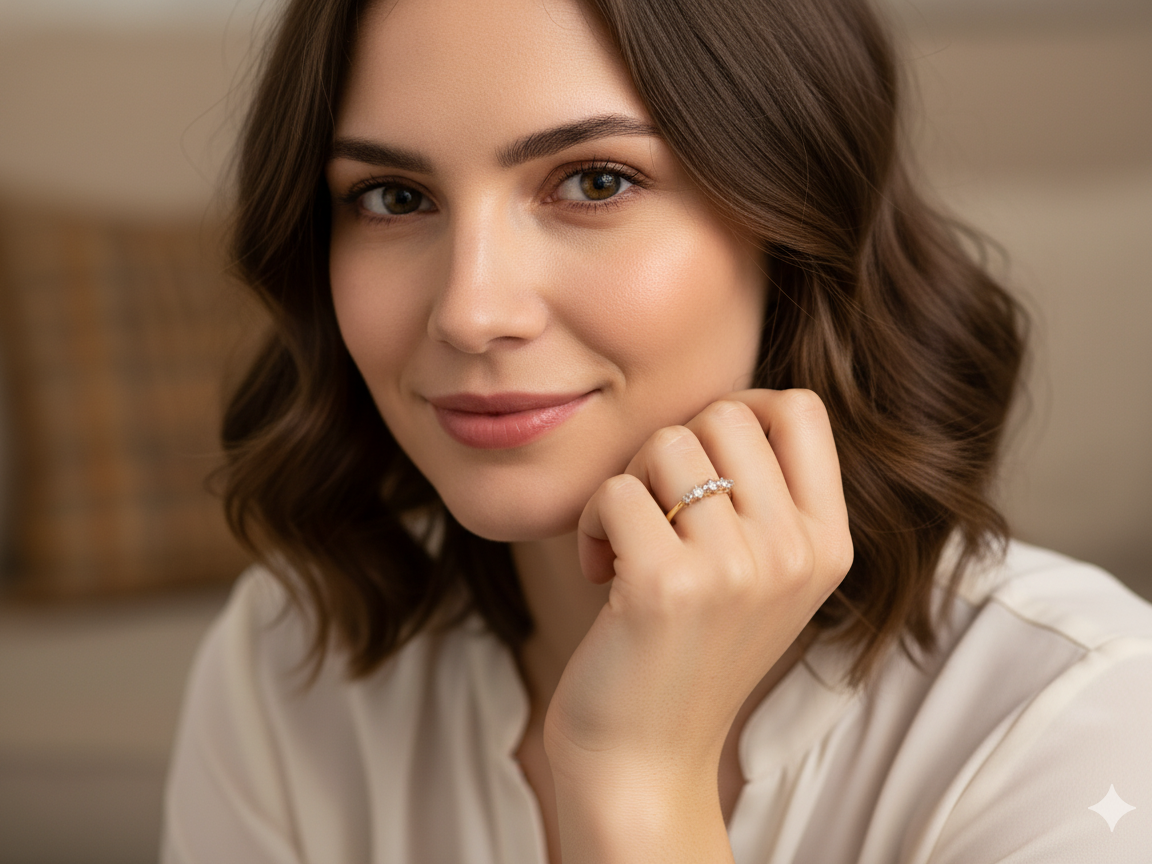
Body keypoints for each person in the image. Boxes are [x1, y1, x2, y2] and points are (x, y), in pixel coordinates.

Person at [161, 0, 1152, 861]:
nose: (470, 310)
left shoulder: (1083, 716)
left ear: (792, 217)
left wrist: (635, 780)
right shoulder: (286, 660)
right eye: (394, 197)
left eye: (594, 182)